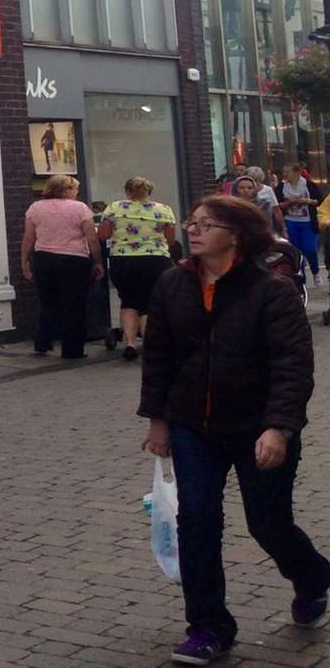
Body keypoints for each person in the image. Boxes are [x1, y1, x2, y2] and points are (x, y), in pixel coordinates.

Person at [139, 194, 330, 665]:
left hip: (257, 425)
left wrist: (280, 428)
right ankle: (208, 628)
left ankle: (311, 577)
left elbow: (293, 365)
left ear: (237, 234)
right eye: (193, 222)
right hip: (191, 425)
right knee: (197, 521)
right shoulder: (172, 283)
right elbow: (158, 356)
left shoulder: (271, 290)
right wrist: (158, 420)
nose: (193, 230)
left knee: (267, 522)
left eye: (206, 224)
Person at [20, 175, 102, 359]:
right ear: (66, 189)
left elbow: (28, 238)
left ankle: (42, 342)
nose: (76, 193)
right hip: (74, 260)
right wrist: (97, 261)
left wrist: (24, 261)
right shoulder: (80, 208)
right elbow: (91, 238)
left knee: (47, 302)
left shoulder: (35, 208)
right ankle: (72, 349)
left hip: (43, 259)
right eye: (74, 189)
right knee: (75, 304)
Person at [99, 177, 176, 362]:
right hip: (155, 260)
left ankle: (131, 344)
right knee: (150, 302)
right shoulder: (164, 210)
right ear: (149, 191)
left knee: (128, 301)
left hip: (123, 260)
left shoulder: (114, 208)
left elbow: (103, 235)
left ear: (128, 191)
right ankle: (149, 346)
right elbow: (171, 240)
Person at [278, 164, 321, 287]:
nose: (285, 174)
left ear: (297, 173)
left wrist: (307, 201)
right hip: (290, 221)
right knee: (296, 251)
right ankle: (301, 278)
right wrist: (290, 202)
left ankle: (315, 271)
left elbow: (319, 200)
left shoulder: (309, 185)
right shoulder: (282, 186)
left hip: (308, 222)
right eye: (283, 172)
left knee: (310, 249)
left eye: (288, 172)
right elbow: (277, 204)